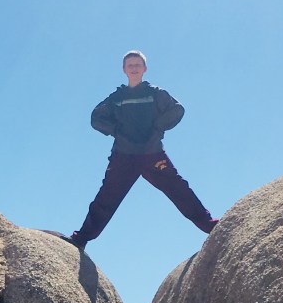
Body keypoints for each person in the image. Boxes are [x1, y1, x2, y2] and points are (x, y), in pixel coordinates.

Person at [70, 51, 218, 248]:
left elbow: (177, 109)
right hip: (123, 156)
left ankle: (210, 225)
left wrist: (157, 128)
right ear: (124, 69)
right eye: (130, 65)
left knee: (179, 189)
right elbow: (96, 118)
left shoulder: (155, 93)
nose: (134, 68)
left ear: (144, 69)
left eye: (137, 64)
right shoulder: (116, 98)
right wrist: (117, 131)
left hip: (152, 154)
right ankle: (81, 239)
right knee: (106, 198)